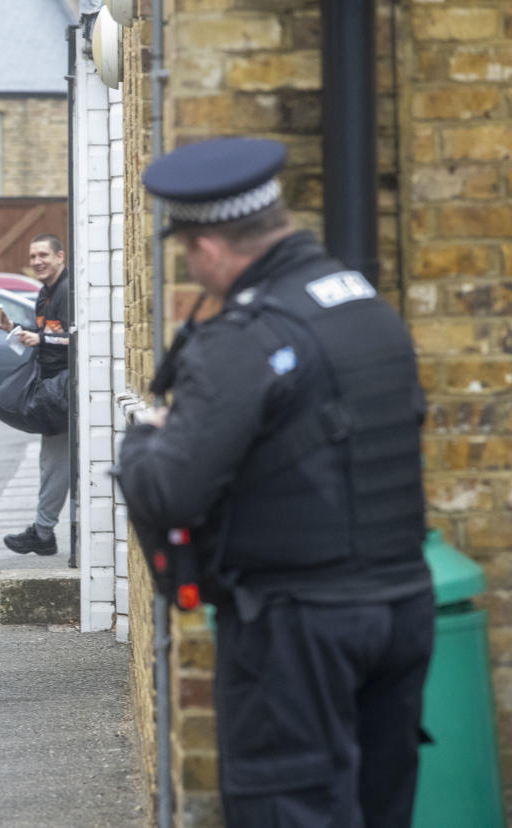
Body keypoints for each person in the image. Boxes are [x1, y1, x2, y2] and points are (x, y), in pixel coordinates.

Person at [115, 137, 433, 827]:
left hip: (299, 629)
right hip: (401, 606)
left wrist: (141, 436)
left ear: (206, 246)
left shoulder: (243, 337)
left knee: (289, 809)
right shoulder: (365, 308)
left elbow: (170, 490)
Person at [0, 233, 71, 558]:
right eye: (33, 256)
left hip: (67, 389)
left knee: (55, 463)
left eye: (44, 255)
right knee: (51, 462)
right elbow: (48, 332)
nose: (37, 262)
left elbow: (75, 337)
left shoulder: (68, 291)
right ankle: (43, 531)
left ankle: (42, 532)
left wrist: (41, 341)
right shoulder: (45, 293)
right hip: (52, 387)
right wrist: (13, 327)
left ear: (60, 257)